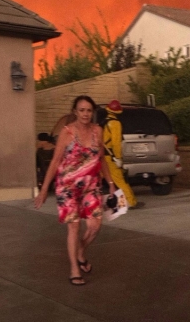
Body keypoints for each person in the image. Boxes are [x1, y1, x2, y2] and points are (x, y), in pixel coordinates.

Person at [34, 95, 114, 286]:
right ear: (75, 112)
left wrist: (110, 182)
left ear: (92, 112)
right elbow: (54, 161)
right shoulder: (67, 132)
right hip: (67, 187)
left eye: (88, 110)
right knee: (74, 226)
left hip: (91, 186)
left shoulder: (98, 131)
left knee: (95, 225)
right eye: (82, 110)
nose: (85, 114)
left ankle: (80, 252)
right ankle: (74, 269)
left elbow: (101, 158)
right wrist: (44, 189)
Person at [101, 100, 137, 208]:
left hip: (101, 155)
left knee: (96, 180)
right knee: (120, 180)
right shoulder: (115, 123)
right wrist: (118, 158)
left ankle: (91, 202)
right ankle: (131, 202)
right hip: (110, 158)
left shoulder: (103, 122)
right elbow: (116, 143)